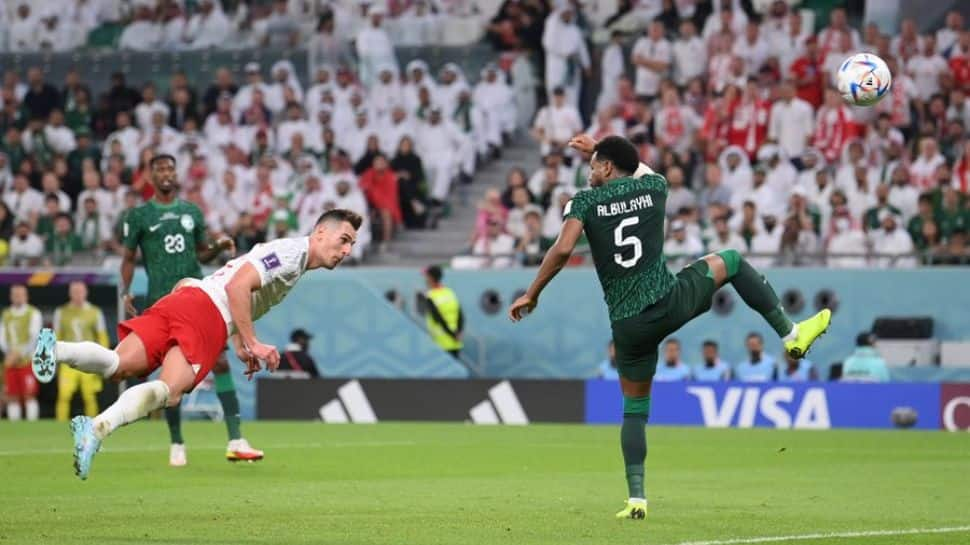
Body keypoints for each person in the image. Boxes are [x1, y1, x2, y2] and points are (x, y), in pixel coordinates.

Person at [507, 134, 830, 520]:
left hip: (628, 326)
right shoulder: (655, 187)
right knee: (731, 260)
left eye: (593, 165)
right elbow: (641, 170)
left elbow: (562, 249)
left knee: (634, 410)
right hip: (669, 301)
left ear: (607, 167)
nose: (589, 172)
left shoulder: (584, 201)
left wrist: (533, 293)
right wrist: (601, 148)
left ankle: (637, 498)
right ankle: (791, 335)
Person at [32, 209, 362, 480]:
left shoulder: (293, 258)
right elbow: (236, 288)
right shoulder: (292, 253)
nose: (347, 250)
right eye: (343, 239)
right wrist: (254, 342)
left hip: (189, 297)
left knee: (119, 365)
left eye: (352, 244)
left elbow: (236, 288)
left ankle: (56, 348)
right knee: (169, 392)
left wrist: (240, 341)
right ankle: (95, 429)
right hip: (207, 315)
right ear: (320, 232)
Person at [117, 153, 261, 468]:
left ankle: (236, 438)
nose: (166, 173)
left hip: (197, 299)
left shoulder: (191, 212)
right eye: (160, 169)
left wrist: (219, 246)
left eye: (170, 168)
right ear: (150, 176)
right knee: (170, 376)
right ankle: (177, 441)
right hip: (161, 300)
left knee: (221, 362)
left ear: (176, 173)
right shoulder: (139, 216)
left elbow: (201, 252)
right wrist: (126, 290)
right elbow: (128, 258)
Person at [53, 281, 108, 421]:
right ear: (70, 293)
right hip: (67, 360)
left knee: (89, 395)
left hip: (88, 360)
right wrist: (56, 358)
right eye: (74, 292)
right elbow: (56, 338)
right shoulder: (61, 312)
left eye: (80, 291)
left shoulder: (95, 312)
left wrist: (102, 359)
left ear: (86, 293)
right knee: (64, 394)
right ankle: (60, 427)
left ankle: (93, 427)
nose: (77, 295)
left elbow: (102, 337)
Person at [2, 284, 41, 421]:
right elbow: (2, 337)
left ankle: (32, 426)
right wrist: (9, 352)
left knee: (29, 394)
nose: (18, 297)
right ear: (11, 297)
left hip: (27, 360)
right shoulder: (6, 314)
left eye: (20, 295)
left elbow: (35, 336)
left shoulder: (33, 313)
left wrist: (20, 353)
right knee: (12, 395)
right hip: (10, 360)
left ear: (26, 296)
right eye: (15, 295)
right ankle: (15, 427)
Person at [422, 265, 464, 359]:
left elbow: (438, 319)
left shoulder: (430, 296)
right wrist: (458, 333)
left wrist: (452, 335)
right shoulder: (450, 292)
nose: (425, 279)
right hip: (455, 342)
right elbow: (460, 315)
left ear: (430, 278)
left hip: (440, 343)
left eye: (426, 276)